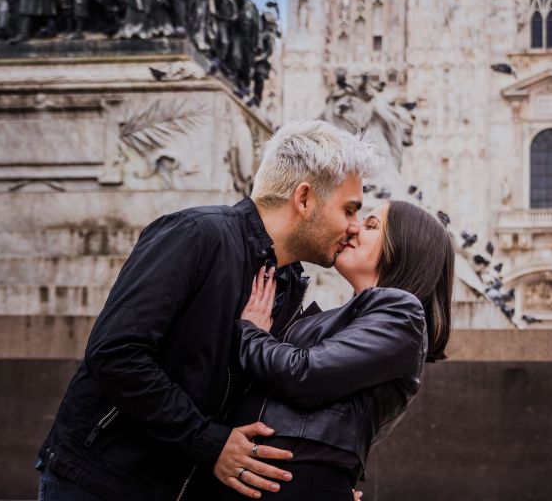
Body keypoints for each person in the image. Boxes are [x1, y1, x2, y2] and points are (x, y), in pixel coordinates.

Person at [35, 120, 379, 500]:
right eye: (349, 210)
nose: (353, 227)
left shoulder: (287, 283)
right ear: (303, 198)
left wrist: (320, 488)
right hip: (100, 481)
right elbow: (116, 353)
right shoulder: (196, 234)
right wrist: (206, 440)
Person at [215, 199, 454, 500]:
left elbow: (304, 374)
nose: (353, 229)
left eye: (371, 226)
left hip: (292, 482)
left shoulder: (402, 313)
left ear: (405, 247)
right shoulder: (357, 319)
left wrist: (250, 330)